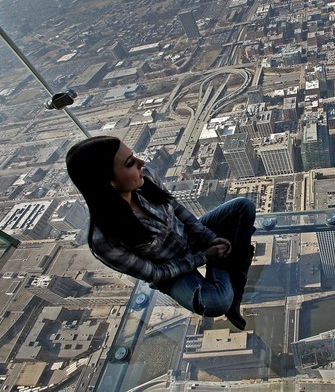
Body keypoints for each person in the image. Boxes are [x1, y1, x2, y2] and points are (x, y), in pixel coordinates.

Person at [66, 136, 256, 330]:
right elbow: (156, 272)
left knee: (243, 206)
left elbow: (180, 211)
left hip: (188, 239)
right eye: (130, 163)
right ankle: (230, 269)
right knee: (216, 302)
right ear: (108, 182)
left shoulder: (145, 178)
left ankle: (235, 291)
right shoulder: (104, 240)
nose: (142, 163)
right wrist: (205, 257)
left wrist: (210, 238)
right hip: (170, 272)